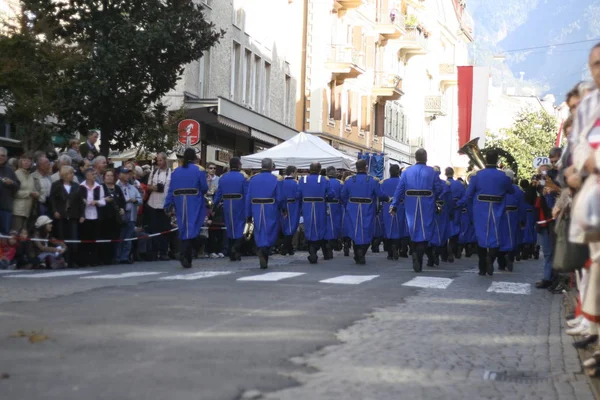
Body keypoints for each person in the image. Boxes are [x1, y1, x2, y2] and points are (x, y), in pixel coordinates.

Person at [458, 150, 514, 276]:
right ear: (497, 160)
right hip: (497, 210)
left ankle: (482, 266)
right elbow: (511, 191)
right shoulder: (503, 176)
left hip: (480, 211)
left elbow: (468, 195)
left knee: (481, 237)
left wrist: (458, 204)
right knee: (495, 236)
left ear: (486, 160)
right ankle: (491, 258)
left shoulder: (477, 176)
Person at [391, 149, 443, 272]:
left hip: (411, 206)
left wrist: (394, 205)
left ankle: (415, 252)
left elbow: (399, 190)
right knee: (426, 231)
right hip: (427, 205)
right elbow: (439, 189)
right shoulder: (433, 172)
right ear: (426, 158)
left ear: (415, 157)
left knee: (413, 230)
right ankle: (418, 255)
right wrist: (434, 196)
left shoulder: (406, 172)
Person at [164, 148, 208, 268]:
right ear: (194, 157)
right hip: (194, 201)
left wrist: (167, 204)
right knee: (192, 227)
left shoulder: (176, 171)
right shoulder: (199, 170)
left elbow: (171, 190)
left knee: (183, 227)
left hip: (179, 201)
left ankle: (186, 254)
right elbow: (204, 188)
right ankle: (185, 253)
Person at [341, 159, 388, 265]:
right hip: (367, 210)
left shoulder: (349, 180)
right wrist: (387, 199)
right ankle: (361, 252)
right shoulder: (372, 180)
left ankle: (358, 252)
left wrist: (347, 206)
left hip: (352, 209)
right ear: (366, 167)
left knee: (354, 230)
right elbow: (380, 195)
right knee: (367, 231)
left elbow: (343, 195)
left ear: (356, 168)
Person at [245, 158, 286, 269]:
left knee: (259, 228)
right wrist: (283, 209)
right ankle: (265, 249)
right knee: (271, 229)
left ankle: (261, 247)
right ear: (272, 167)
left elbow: (248, 197)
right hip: (271, 207)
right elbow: (280, 197)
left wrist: (248, 213)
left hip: (256, 207)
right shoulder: (277, 179)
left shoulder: (252, 179)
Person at [213, 157, 248, 262]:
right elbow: (247, 194)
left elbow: (218, 194)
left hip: (227, 204)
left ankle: (233, 253)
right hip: (239, 204)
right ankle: (235, 248)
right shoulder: (243, 177)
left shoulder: (223, 177)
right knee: (241, 228)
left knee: (230, 228)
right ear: (238, 165)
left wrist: (213, 205)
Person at [297, 162, 331, 264]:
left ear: (309, 169)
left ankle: (311, 248)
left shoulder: (303, 180)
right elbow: (331, 193)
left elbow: (298, 194)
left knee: (309, 227)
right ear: (320, 170)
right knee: (320, 227)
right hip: (320, 207)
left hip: (307, 207)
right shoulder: (324, 180)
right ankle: (314, 248)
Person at [50, 166, 82, 268]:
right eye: (70, 173)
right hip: (61, 216)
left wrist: (82, 215)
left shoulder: (76, 186)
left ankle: (73, 260)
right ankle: (63, 259)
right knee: (62, 237)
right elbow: (52, 200)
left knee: (73, 238)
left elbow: (80, 202)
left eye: (73, 173)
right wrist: (54, 211)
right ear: (64, 175)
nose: (72, 175)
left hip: (73, 216)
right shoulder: (56, 185)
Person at [498, 169, 526, 272]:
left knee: (500, 238)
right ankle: (510, 257)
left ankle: (501, 263)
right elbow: (522, 206)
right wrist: (523, 220)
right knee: (512, 237)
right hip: (514, 215)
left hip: (501, 214)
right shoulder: (518, 190)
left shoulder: (499, 188)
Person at [146, 152, 172, 261]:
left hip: (165, 205)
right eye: (158, 160)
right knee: (154, 229)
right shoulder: (154, 171)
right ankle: (154, 252)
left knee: (165, 229)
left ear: (165, 160)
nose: (159, 162)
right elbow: (147, 187)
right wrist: (154, 188)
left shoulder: (171, 173)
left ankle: (163, 252)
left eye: (161, 160)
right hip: (153, 203)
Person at [79, 167, 106, 266]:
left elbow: (103, 202)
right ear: (87, 175)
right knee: (85, 238)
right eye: (93, 174)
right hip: (84, 215)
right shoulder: (81, 186)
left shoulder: (99, 187)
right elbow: (78, 200)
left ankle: (94, 260)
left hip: (95, 215)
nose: (95, 176)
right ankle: (84, 260)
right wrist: (83, 201)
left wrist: (96, 202)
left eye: (95, 174)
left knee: (94, 238)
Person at [380, 164, 407, 260]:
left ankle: (390, 252)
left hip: (387, 206)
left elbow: (380, 196)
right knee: (399, 228)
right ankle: (396, 246)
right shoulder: (403, 182)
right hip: (400, 206)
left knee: (388, 229)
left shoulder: (384, 182)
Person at [13, 153, 39, 232]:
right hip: (17, 210)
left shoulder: (30, 176)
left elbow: (33, 190)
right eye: (24, 160)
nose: (26, 162)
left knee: (23, 236)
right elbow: (14, 192)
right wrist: (29, 193)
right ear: (20, 162)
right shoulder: (16, 174)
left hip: (27, 211)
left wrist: (36, 194)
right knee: (16, 234)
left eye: (29, 161)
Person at [446, 167, 466, 260]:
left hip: (446, 208)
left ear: (445, 173)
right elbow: (465, 197)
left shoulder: (442, 184)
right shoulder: (459, 184)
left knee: (445, 227)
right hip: (456, 208)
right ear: (453, 173)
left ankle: (445, 251)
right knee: (456, 227)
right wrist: (458, 204)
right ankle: (454, 248)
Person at [280, 165, 300, 256]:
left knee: (285, 226)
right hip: (293, 205)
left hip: (283, 205)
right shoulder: (295, 183)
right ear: (292, 172)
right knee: (292, 227)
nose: (296, 174)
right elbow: (298, 195)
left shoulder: (281, 183)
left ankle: (289, 249)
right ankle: (284, 248)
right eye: (296, 172)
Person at [324, 166, 343, 260]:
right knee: (335, 225)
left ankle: (327, 244)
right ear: (335, 173)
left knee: (325, 225)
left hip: (324, 206)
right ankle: (332, 243)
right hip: (336, 206)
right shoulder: (339, 183)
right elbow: (343, 195)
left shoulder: (324, 181)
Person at [0, 147, 19, 234]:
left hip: (5, 207)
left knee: (5, 234)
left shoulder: (10, 171)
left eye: (3, 155)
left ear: (6, 157)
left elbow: (17, 186)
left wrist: (11, 183)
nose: (1, 157)